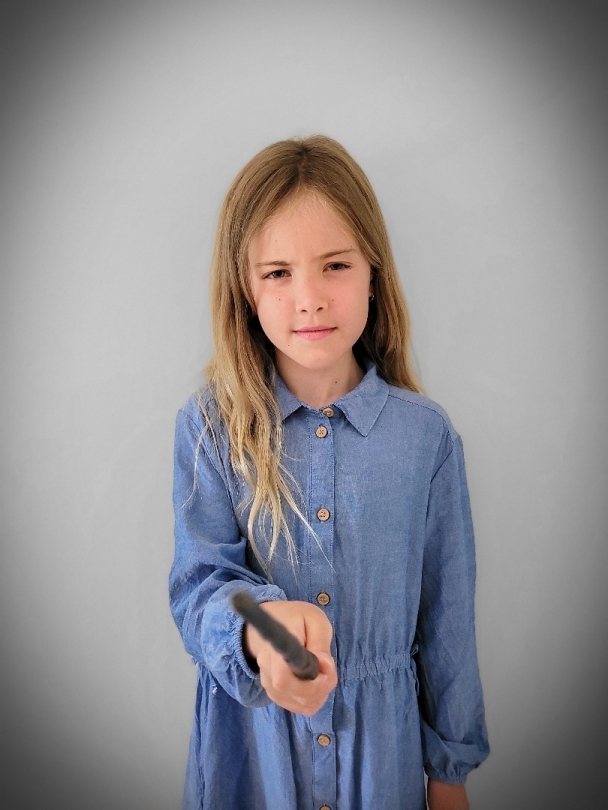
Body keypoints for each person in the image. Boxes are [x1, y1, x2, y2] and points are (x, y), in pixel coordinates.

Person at [169, 135, 489, 810]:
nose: (309, 298)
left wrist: (450, 775)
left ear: (373, 272)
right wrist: (264, 634)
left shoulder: (425, 438)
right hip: (252, 763)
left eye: (335, 265)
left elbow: (448, 624)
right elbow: (200, 586)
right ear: (245, 288)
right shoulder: (209, 427)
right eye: (277, 273)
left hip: (385, 763)